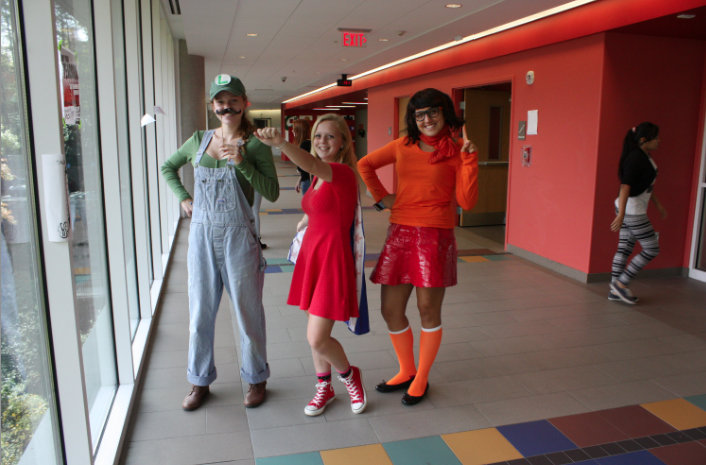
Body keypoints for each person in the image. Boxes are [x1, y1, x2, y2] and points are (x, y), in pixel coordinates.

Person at [161, 75, 279, 410]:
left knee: (247, 312)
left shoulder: (255, 144)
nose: (226, 107)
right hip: (201, 237)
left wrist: (242, 163)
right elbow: (168, 167)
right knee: (199, 313)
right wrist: (184, 197)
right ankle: (199, 381)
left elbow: (270, 192)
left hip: (239, 236)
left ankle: (256, 378)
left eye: (232, 101)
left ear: (245, 103)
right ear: (213, 106)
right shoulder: (199, 140)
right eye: (220, 102)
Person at [358, 88, 478, 405]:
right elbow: (365, 164)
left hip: (436, 235)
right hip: (400, 232)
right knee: (390, 310)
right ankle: (406, 369)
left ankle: (421, 378)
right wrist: (382, 198)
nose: (426, 120)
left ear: (445, 113)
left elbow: (467, 201)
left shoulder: (455, 151)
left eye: (432, 112)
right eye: (419, 114)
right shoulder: (403, 145)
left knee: (428, 310)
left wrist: (469, 160)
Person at [254, 114, 367, 416]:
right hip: (312, 258)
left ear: (344, 142)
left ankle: (349, 376)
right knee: (314, 330)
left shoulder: (340, 171)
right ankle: (324, 386)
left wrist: (280, 143)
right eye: (318, 136)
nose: (322, 142)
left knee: (317, 336)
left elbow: (311, 164)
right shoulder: (319, 178)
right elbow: (323, 206)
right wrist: (305, 219)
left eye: (330, 136)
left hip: (331, 259)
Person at [609, 122, 665, 304]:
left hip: (630, 208)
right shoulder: (636, 158)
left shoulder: (644, 156)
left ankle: (614, 290)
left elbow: (646, 185)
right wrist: (621, 214)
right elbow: (625, 186)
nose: (659, 141)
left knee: (624, 249)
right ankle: (621, 284)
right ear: (643, 140)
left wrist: (658, 205)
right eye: (655, 137)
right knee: (652, 248)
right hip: (631, 209)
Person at [292, 118, 313, 195]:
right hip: (306, 179)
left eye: (294, 129)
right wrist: (300, 179)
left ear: (299, 130)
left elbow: (304, 166)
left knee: (308, 205)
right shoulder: (308, 143)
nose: (292, 131)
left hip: (308, 181)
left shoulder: (305, 144)